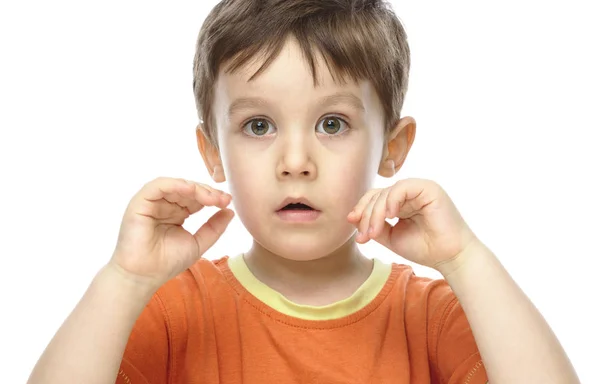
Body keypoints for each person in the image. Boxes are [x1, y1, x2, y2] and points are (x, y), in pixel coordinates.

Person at [27, 0, 580, 383]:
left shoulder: (429, 316)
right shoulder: (174, 310)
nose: (295, 163)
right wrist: (124, 281)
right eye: (259, 126)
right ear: (212, 153)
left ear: (394, 146)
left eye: (332, 124)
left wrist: (466, 259)